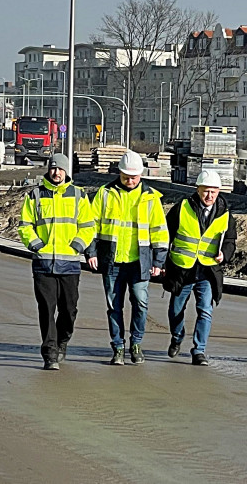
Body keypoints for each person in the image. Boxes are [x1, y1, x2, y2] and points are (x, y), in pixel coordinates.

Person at [86, 150, 169, 365]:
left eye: (134, 177)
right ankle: (118, 347)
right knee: (114, 306)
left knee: (140, 303)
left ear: (141, 175)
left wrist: (159, 262)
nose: (130, 181)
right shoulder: (105, 193)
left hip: (139, 262)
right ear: (120, 174)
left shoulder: (151, 197)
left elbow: (160, 231)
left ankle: (136, 343)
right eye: (126, 177)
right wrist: (91, 252)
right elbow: (91, 225)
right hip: (112, 261)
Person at [18, 153, 96, 370]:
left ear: (66, 171)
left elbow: (88, 226)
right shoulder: (35, 195)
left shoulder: (79, 195)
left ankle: (63, 340)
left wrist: (78, 246)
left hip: (69, 263)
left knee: (69, 309)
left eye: (60, 169)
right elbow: (25, 225)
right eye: (53, 168)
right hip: (43, 264)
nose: (56, 172)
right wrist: (36, 245)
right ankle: (50, 352)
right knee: (46, 307)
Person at [163, 169, 235, 367]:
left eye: (213, 191)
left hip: (207, 271)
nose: (209, 195)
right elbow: (165, 235)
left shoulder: (225, 214)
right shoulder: (182, 208)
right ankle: (177, 337)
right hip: (183, 269)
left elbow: (230, 240)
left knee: (205, 310)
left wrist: (225, 254)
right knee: (175, 310)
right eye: (205, 191)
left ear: (219, 191)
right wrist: (160, 262)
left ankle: (199, 350)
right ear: (198, 189)